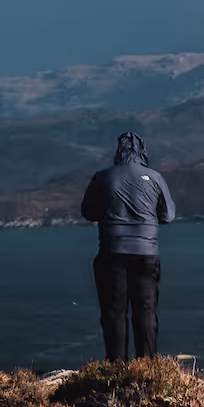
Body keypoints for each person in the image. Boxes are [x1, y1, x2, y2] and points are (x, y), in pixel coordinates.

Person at [79, 131, 175, 360]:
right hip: (146, 254)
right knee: (146, 312)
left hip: (112, 253)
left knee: (114, 313)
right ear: (143, 151)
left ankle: (115, 369)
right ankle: (147, 370)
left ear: (118, 152)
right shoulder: (155, 177)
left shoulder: (103, 177)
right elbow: (168, 215)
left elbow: (88, 212)